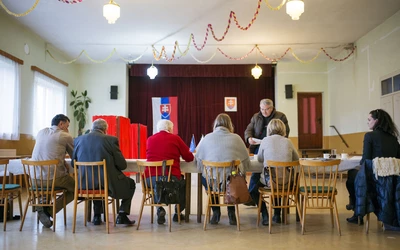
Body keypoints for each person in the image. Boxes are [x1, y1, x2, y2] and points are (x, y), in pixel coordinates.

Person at [72, 118, 136, 225]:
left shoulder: (78, 140)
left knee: (96, 181)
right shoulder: (111, 140)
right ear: (105, 129)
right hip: (107, 184)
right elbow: (122, 165)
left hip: (84, 184)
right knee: (130, 183)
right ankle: (122, 214)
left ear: (92, 128)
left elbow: (73, 163)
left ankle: (97, 215)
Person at [346, 109, 400, 224]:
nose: (368, 122)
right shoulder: (393, 138)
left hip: (374, 179)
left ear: (377, 121)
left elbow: (366, 160)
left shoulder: (369, 136)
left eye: (369, 120)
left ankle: (356, 210)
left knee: (351, 175)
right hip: (392, 182)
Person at [195, 113, 251, 226]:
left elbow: (198, 158)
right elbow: (246, 158)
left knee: (208, 178)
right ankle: (231, 213)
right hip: (231, 181)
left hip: (212, 181)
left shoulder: (207, 137)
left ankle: (216, 212)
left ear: (215, 124)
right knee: (232, 178)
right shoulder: (236, 138)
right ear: (230, 125)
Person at [146, 119, 194, 224]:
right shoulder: (175, 138)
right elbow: (189, 157)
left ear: (158, 129)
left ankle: (159, 209)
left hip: (150, 179)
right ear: (170, 129)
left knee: (157, 185)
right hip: (170, 177)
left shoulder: (150, 139)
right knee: (182, 184)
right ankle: (177, 213)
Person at [31, 114, 75, 228]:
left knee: (49, 183)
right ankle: (49, 211)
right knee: (77, 189)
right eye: (67, 125)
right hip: (54, 178)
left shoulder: (41, 132)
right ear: (61, 124)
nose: (68, 129)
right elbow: (75, 156)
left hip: (34, 179)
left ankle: (42, 204)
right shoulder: (65, 135)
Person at [252, 119, 299, 225]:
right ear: (283, 129)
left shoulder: (265, 140)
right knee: (278, 184)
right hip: (287, 181)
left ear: (269, 129)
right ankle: (277, 214)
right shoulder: (288, 141)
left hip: (270, 181)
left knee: (253, 190)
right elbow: (296, 159)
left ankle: (265, 214)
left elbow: (259, 159)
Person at [244, 99, 290, 206]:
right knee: (256, 170)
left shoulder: (281, 116)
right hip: (258, 145)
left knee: (273, 169)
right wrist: (249, 138)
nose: (264, 112)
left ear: (272, 108)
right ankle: (252, 196)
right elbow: (248, 129)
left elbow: (285, 132)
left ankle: (259, 194)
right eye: (262, 109)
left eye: (266, 109)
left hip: (275, 146)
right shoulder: (256, 116)